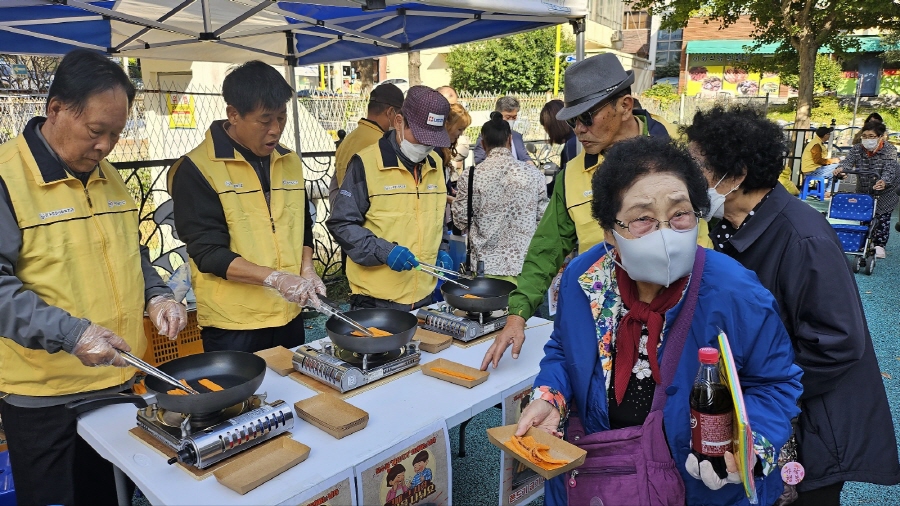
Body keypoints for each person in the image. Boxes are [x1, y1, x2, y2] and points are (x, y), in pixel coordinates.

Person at [515, 136, 803, 506]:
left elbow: (776, 383)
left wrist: (749, 446)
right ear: (610, 233)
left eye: (680, 214)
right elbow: (563, 348)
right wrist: (550, 397)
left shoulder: (736, 292)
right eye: (643, 219)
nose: (666, 233)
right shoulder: (583, 279)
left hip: (702, 489)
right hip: (598, 478)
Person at [686, 105, 900, 505]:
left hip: (812, 429)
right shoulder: (733, 227)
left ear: (736, 175)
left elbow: (837, 342)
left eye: (697, 165)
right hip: (776, 416)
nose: (687, 176)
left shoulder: (802, 238)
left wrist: (764, 387)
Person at [0, 49, 187, 505]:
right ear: (56, 109)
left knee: (112, 495)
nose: (105, 146)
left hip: (118, 381)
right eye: (96, 131)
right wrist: (73, 334)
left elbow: (129, 252)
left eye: (116, 134)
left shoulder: (108, 177)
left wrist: (157, 294)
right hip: (47, 399)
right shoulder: (7, 179)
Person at [482, 52, 712, 371]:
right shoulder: (572, 176)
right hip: (607, 321)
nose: (578, 129)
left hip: (683, 314)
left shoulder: (680, 150)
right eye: (572, 120)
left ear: (625, 105)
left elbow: (709, 234)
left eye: (587, 118)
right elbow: (546, 249)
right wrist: (517, 315)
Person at [169, 61, 325, 353]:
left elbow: (302, 223)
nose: (275, 130)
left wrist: (307, 268)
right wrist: (275, 279)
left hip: (289, 315)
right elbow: (208, 252)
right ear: (233, 114)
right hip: (234, 325)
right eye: (265, 121)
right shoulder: (197, 169)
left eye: (281, 118)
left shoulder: (289, 161)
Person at [327, 85, 454, 310]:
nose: (425, 145)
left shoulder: (435, 164)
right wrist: (383, 251)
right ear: (398, 122)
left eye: (431, 139)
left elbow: (437, 218)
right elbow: (342, 224)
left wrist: (442, 249)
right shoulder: (366, 163)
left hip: (424, 298)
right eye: (420, 136)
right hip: (376, 303)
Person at [451, 112, 547, 282]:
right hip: (524, 268)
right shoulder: (534, 174)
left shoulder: (471, 176)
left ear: (483, 144)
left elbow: (460, 221)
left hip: (484, 270)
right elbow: (543, 221)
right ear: (510, 140)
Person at [329, 83, 404, 205]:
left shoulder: (347, 140)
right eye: (400, 116)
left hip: (347, 209)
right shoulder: (383, 144)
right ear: (390, 112)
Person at [834, 120, 899, 259]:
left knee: (882, 217)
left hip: (886, 190)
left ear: (880, 137)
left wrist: (884, 181)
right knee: (864, 214)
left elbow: (890, 169)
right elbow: (847, 162)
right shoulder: (857, 149)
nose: (867, 139)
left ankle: (879, 245)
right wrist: (841, 170)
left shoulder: (889, 150)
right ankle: (864, 242)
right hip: (864, 187)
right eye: (864, 136)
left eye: (871, 136)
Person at [473, 96, 534, 165]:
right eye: (508, 117)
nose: (511, 120)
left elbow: (525, 157)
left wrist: (530, 165)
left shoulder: (517, 136)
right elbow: (480, 162)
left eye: (514, 117)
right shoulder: (485, 136)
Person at [442, 103, 472, 231]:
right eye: (459, 129)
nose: (461, 134)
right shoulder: (435, 151)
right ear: (447, 125)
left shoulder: (444, 149)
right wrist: (453, 200)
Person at [799, 126, 841, 195]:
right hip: (811, 171)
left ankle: (829, 192)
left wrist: (831, 161)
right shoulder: (816, 145)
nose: (830, 136)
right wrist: (833, 161)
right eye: (829, 134)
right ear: (825, 135)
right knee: (838, 166)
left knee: (836, 173)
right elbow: (818, 160)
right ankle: (828, 192)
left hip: (814, 169)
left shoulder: (817, 142)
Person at [539, 99, 578, 171]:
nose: (547, 132)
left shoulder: (571, 146)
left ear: (553, 126)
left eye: (547, 128)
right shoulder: (576, 140)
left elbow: (567, 176)